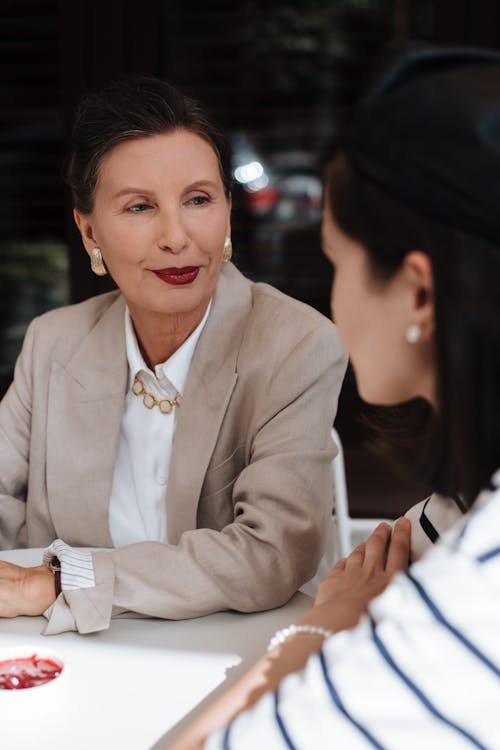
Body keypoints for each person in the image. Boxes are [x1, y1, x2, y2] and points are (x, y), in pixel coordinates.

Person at [171, 43, 500, 749]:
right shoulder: (459, 509)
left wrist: (322, 627)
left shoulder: (478, 590)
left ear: (417, 290)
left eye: (336, 264)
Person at [0, 77, 347, 634]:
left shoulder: (296, 345)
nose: (176, 236)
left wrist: (63, 581)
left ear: (229, 211)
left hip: (228, 655)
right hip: (64, 652)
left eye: (198, 200)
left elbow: (271, 555)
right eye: (139, 207)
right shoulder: (53, 341)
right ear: (89, 231)